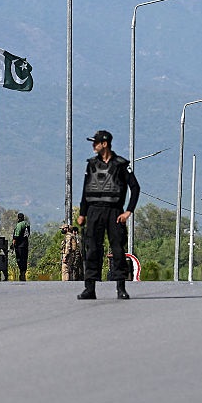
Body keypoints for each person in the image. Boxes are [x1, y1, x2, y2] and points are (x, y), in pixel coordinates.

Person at [76, 129, 140, 300]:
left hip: (114, 211)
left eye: (96, 142)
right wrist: (82, 213)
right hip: (94, 211)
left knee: (117, 249)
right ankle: (89, 288)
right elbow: (86, 189)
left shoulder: (121, 164)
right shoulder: (91, 164)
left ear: (104, 144)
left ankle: (121, 288)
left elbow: (135, 187)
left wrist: (128, 211)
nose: (93, 146)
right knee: (92, 249)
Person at [11, 212, 31, 281]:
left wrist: (13, 244)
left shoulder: (19, 225)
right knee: (24, 259)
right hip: (25, 245)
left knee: (19, 259)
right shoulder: (27, 224)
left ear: (18, 218)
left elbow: (16, 236)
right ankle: (23, 273)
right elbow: (28, 234)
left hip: (19, 246)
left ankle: (21, 272)